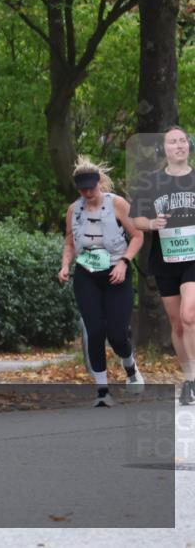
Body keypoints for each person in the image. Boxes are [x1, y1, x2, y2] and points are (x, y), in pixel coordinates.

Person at [58, 157, 145, 406]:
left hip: (116, 273)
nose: (87, 193)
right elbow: (69, 241)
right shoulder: (74, 210)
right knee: (94, 331)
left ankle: (130, 367)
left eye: (91, 188)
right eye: (82, 190)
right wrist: (65, 265)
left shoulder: (117, 204)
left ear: (99, 184)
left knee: (117, 334)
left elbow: (137, 236)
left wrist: (124, 262)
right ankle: (102, 391)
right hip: (87, 275)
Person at [129, 126, 195, 405]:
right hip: (166, 257)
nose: (179, 145)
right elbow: (136, 220)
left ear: (189, 147)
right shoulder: (151, 182)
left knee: (190, 314)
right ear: (163, 149)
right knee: (177, 324)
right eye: (173, 142)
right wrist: (152, 224)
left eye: (183, 141)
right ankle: (189, 377)